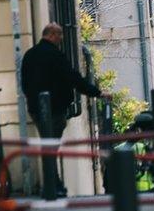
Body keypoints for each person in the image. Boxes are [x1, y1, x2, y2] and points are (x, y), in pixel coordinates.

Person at [21, 23, 105, 195]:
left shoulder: (29, 55)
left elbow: (24, 83)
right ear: (51, 35)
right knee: (51, 146)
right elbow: (73, 78)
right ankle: (51, 186)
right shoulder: (56, 56)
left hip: (36, 108)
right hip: (55, 108)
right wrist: (97, 93)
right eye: (59, 35)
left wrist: (33, 99)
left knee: (49, 144)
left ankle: (54, 184)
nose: (61, 39)